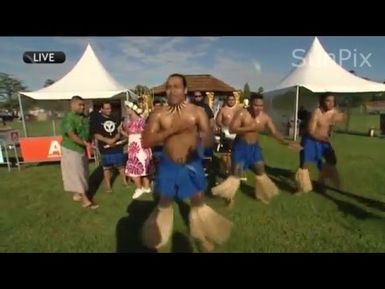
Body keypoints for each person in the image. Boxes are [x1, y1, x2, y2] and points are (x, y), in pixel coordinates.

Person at [141, 73, 232, 252]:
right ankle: (156, 239)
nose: (172, 90)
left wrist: (201, 140)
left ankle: (202, 237)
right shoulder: (158, 113)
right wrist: (171, 131)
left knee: (198, 201)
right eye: (169, 87)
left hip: (192, 164)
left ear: (185, 90)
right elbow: (147, 141)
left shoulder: (197, 112)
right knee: (164, 202)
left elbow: (209, 137)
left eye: (176, 87)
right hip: (168, 165)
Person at [212, 93, 302, 205]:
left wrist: (286, 142)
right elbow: (232, 129)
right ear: (250, 104)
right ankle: (229, 197)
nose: (258, 108)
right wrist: (250, 128)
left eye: (261, 106)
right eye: (256, 105)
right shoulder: (242, 114)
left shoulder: (265, 117)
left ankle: (261, 194)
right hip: (240, 147)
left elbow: (274, 132)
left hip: (254, 148)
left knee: (260, 170)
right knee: (237, 173)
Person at [295, 93, 346, 194]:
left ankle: (322, 182)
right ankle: (301, 188)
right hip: (310, 140)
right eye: (328, 100)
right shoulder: (316, 113)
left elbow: (340, 118)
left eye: (332, 101)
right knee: (304, 164)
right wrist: (324, 139)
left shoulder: (333, 111)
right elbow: (311, 131)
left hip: (323, 141)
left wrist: (334, 123)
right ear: (322, 101)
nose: (331, 103)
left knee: (332, 160)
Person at [60, 96, 98, 209]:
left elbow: (87, 130)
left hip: (81, 149)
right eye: (80, 105)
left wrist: (90, 141)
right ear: (72, 105)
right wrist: (85, 144)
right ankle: (85, 200)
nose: (82, 107)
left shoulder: (84, 117)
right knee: (78, 174)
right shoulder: (69, 118)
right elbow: (72, 135)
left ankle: (77, 194)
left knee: (83, 172)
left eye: (83, 104)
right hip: (71, 149)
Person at [90, 102, 128, 193]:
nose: (109, 110)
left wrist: (115, 139)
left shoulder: (115, 118)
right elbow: (96, 134)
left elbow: (119, 131)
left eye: (110, 108)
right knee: (106, 168)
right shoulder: (97, 119)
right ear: (102, 109)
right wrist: (107, 140)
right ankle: (108, 186)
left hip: (116, 145)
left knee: (121, 165)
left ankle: (125, 181)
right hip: (105, 147)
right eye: (106, 108)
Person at [121, 100, 152, 199]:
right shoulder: (129, 121)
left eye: (127, 108)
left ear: (132, 108)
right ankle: (146, 188)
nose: (126, 110)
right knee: (142, 168)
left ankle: (140, 188)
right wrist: (122, 132)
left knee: (135, 169)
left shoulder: (142, 121)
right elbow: (130, 135)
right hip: (134, 147)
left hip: (140, 148)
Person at [215, 94, 242, 175]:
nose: (231, 101)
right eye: (229, 100)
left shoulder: (239, 109)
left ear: (235, 100)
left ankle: (237, 170)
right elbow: (218, 121)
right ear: (227, 100)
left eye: (232, 100)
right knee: (226, 153)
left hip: (237, 133)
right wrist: (223, 126)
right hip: (226, 133)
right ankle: (225, 169)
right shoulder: (223, 110)